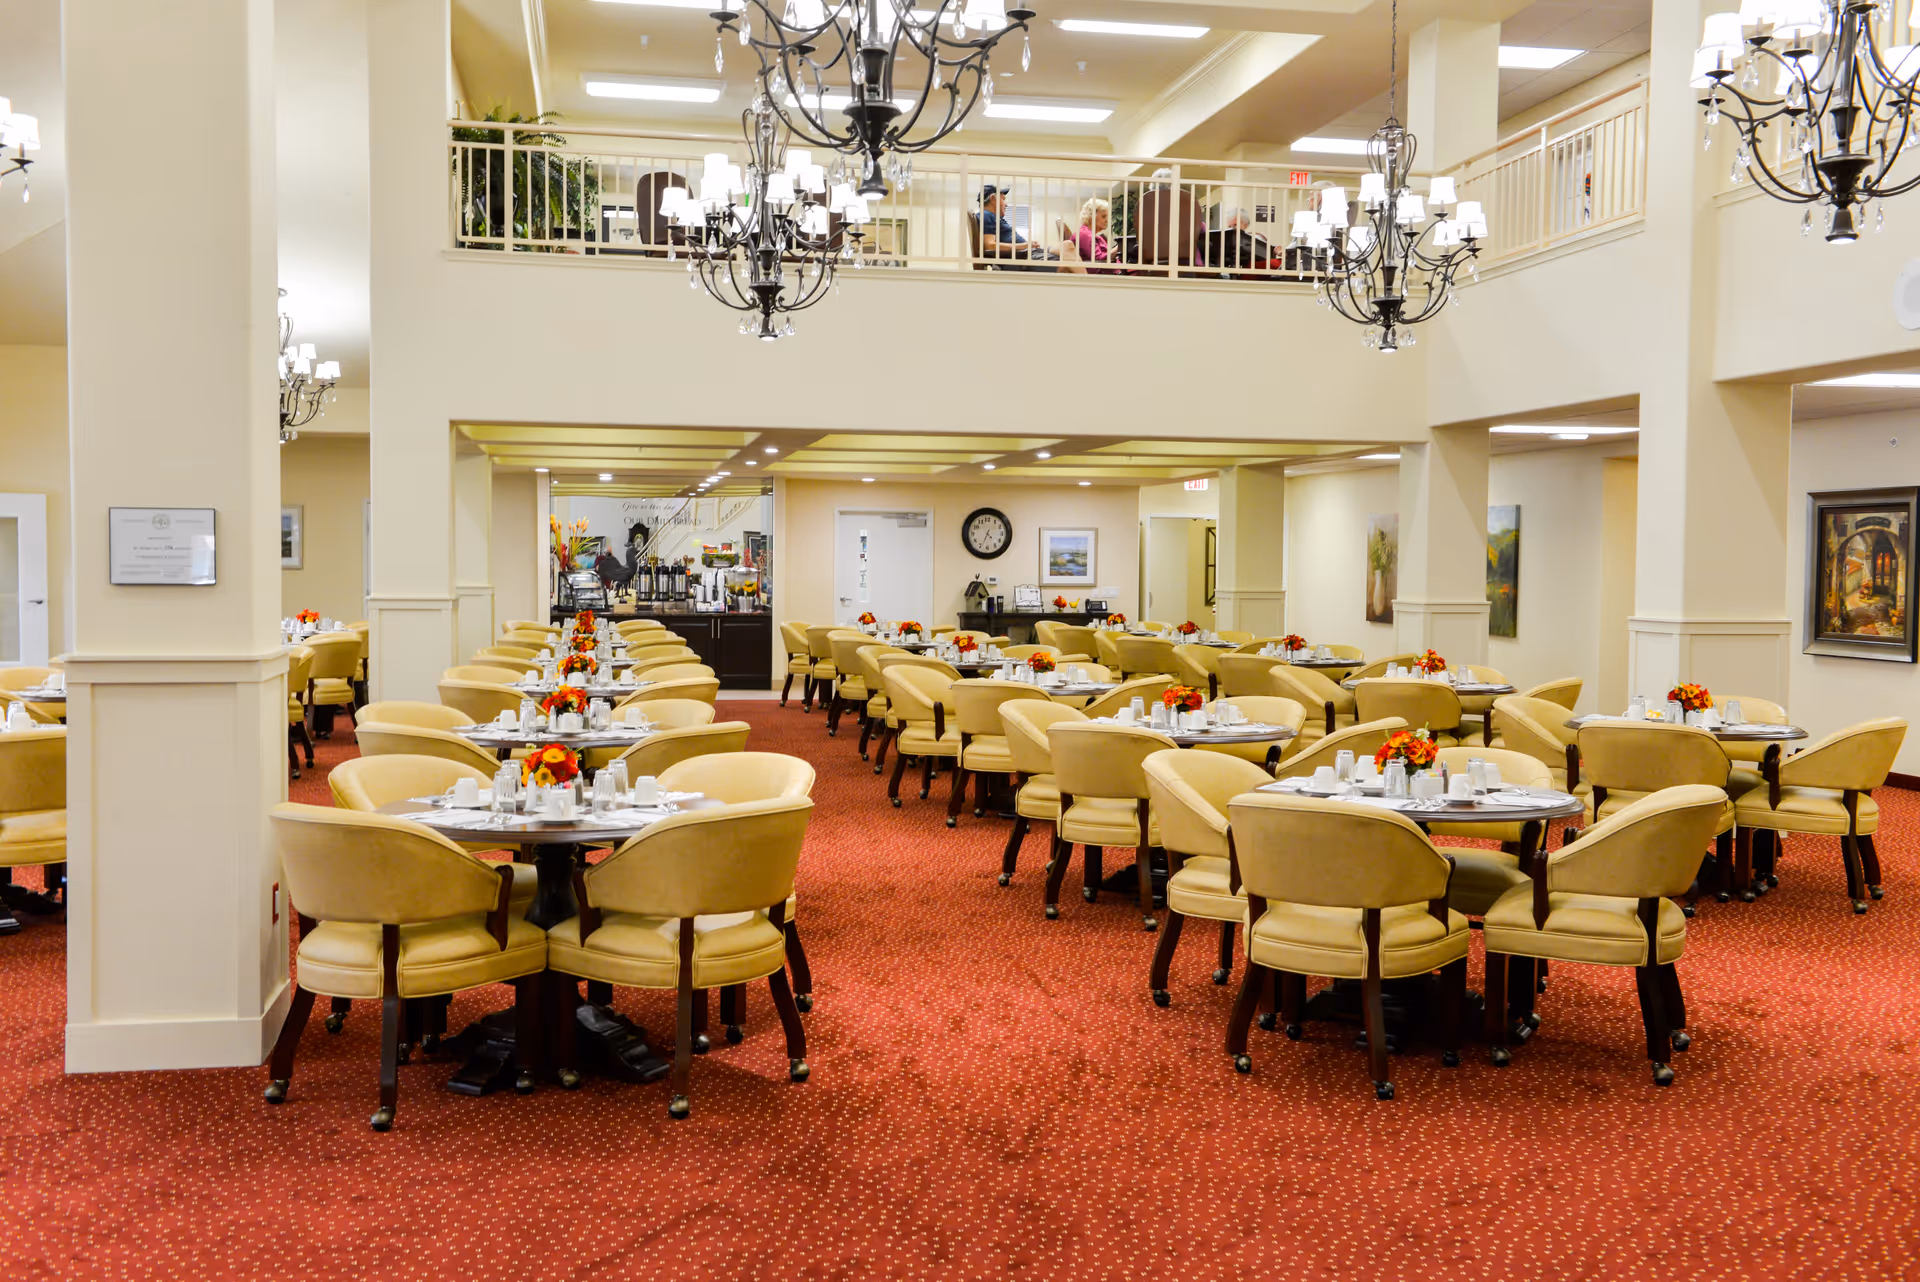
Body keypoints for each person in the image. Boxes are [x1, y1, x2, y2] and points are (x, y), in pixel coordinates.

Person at [976, 184, 1056, 267]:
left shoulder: (991, 216)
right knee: (1066, 256)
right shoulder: (986, 215)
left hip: (1030, 254)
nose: (1006, 204)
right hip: (1027, 258)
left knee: (1065, 248)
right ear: (993, 198)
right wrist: (1025, 245)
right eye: (1003, 199)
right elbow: (990, 246)